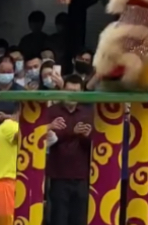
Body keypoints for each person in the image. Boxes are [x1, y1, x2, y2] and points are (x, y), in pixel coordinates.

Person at [47, 75, 93, 225]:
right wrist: (72, 132)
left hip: (81, 177)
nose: (72, 95)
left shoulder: (87, 113)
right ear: (62, 90)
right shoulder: (52, 112)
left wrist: (86, 136)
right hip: (58, 176)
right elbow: (48, 140)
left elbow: (94, 144)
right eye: (69, 90)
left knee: (79, 219)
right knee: (58, 218)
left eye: (76, 91)